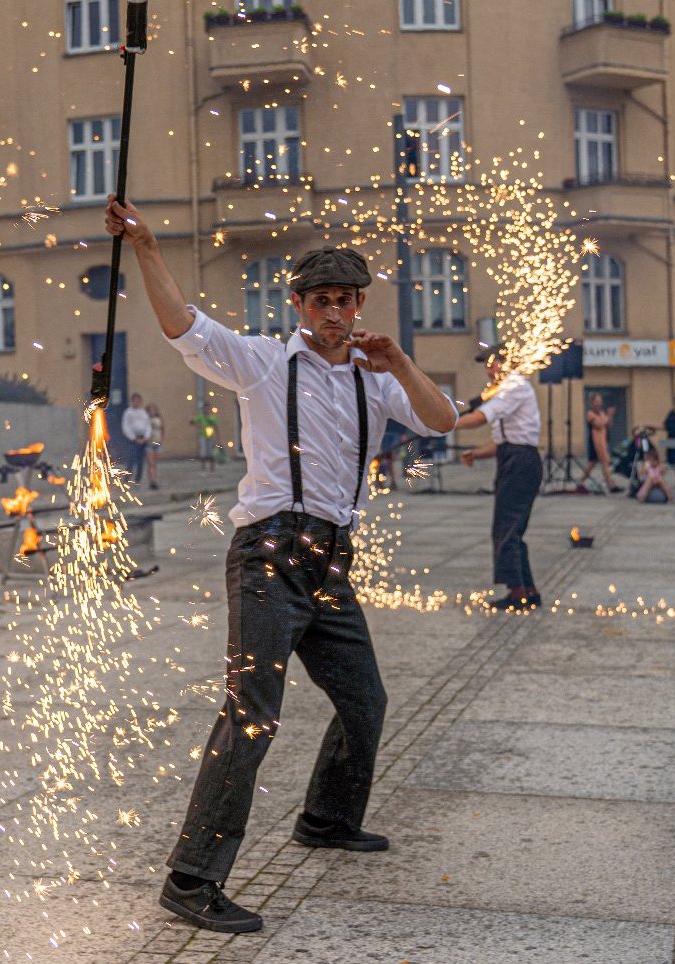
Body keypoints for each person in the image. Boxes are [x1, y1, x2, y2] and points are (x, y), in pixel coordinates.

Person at [107, 197, 458, 934]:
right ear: (297, 304)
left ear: (361, 304)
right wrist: (146, 246)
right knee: (252, 717)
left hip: (331, 562)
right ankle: (190, 878)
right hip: (268, 555)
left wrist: (399, 359)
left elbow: (443, 419)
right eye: (320, 300)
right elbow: (182, 326)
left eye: (346, 300)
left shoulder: (376, 378)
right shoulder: (266, 364)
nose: (334, 311)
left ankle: (327, 820)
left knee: (366, 702)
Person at [459, 345, 541, 611]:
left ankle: (518, 594)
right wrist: (477, 453)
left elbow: (481, 417)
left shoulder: (514, 385)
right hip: (513, 458)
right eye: (486, 364)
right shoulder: (504, 389)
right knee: (511, 529)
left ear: (507, 362)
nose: (489, 369)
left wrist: (446, 421)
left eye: (493, 363)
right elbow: (505, 442)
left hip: (521, 463)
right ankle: (528, 590)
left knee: (506, 528)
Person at [577, 392, 619, 494]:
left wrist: (610, 416)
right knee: (598, 462)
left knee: (597, 462)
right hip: (595, 442)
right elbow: (598, 424)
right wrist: (607, 416)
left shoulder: (601, 413)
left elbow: (608, 424)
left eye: (600, 401)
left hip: (603, 440)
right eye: (597, 401)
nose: (599, 403)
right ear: (592, 402)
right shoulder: (590, 413)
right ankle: (610, 485)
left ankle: (581, 481)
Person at [121, 393, 152, 484]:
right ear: (132, 401)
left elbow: (148, 426)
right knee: (131, 459)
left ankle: (138, 479)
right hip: (133, 439)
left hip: (143, 439)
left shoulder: (144, 413)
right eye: (135, 400)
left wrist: (146, 437)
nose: (136, 402)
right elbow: (126, 427)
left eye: (138, 400)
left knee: (140, 460)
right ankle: (127, 478)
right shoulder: (128, 412)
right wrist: (134, 438)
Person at [145, 402, 164, 490]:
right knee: (151, 463)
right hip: (149, 444)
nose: (151, 412)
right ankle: (152, 481)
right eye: (150, 410)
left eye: (153, 410)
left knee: (154, 464)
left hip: (157, 443)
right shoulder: (146, 420)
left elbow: (162, 430)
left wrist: (161, 440)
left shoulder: (158, 419)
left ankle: (154, 479)